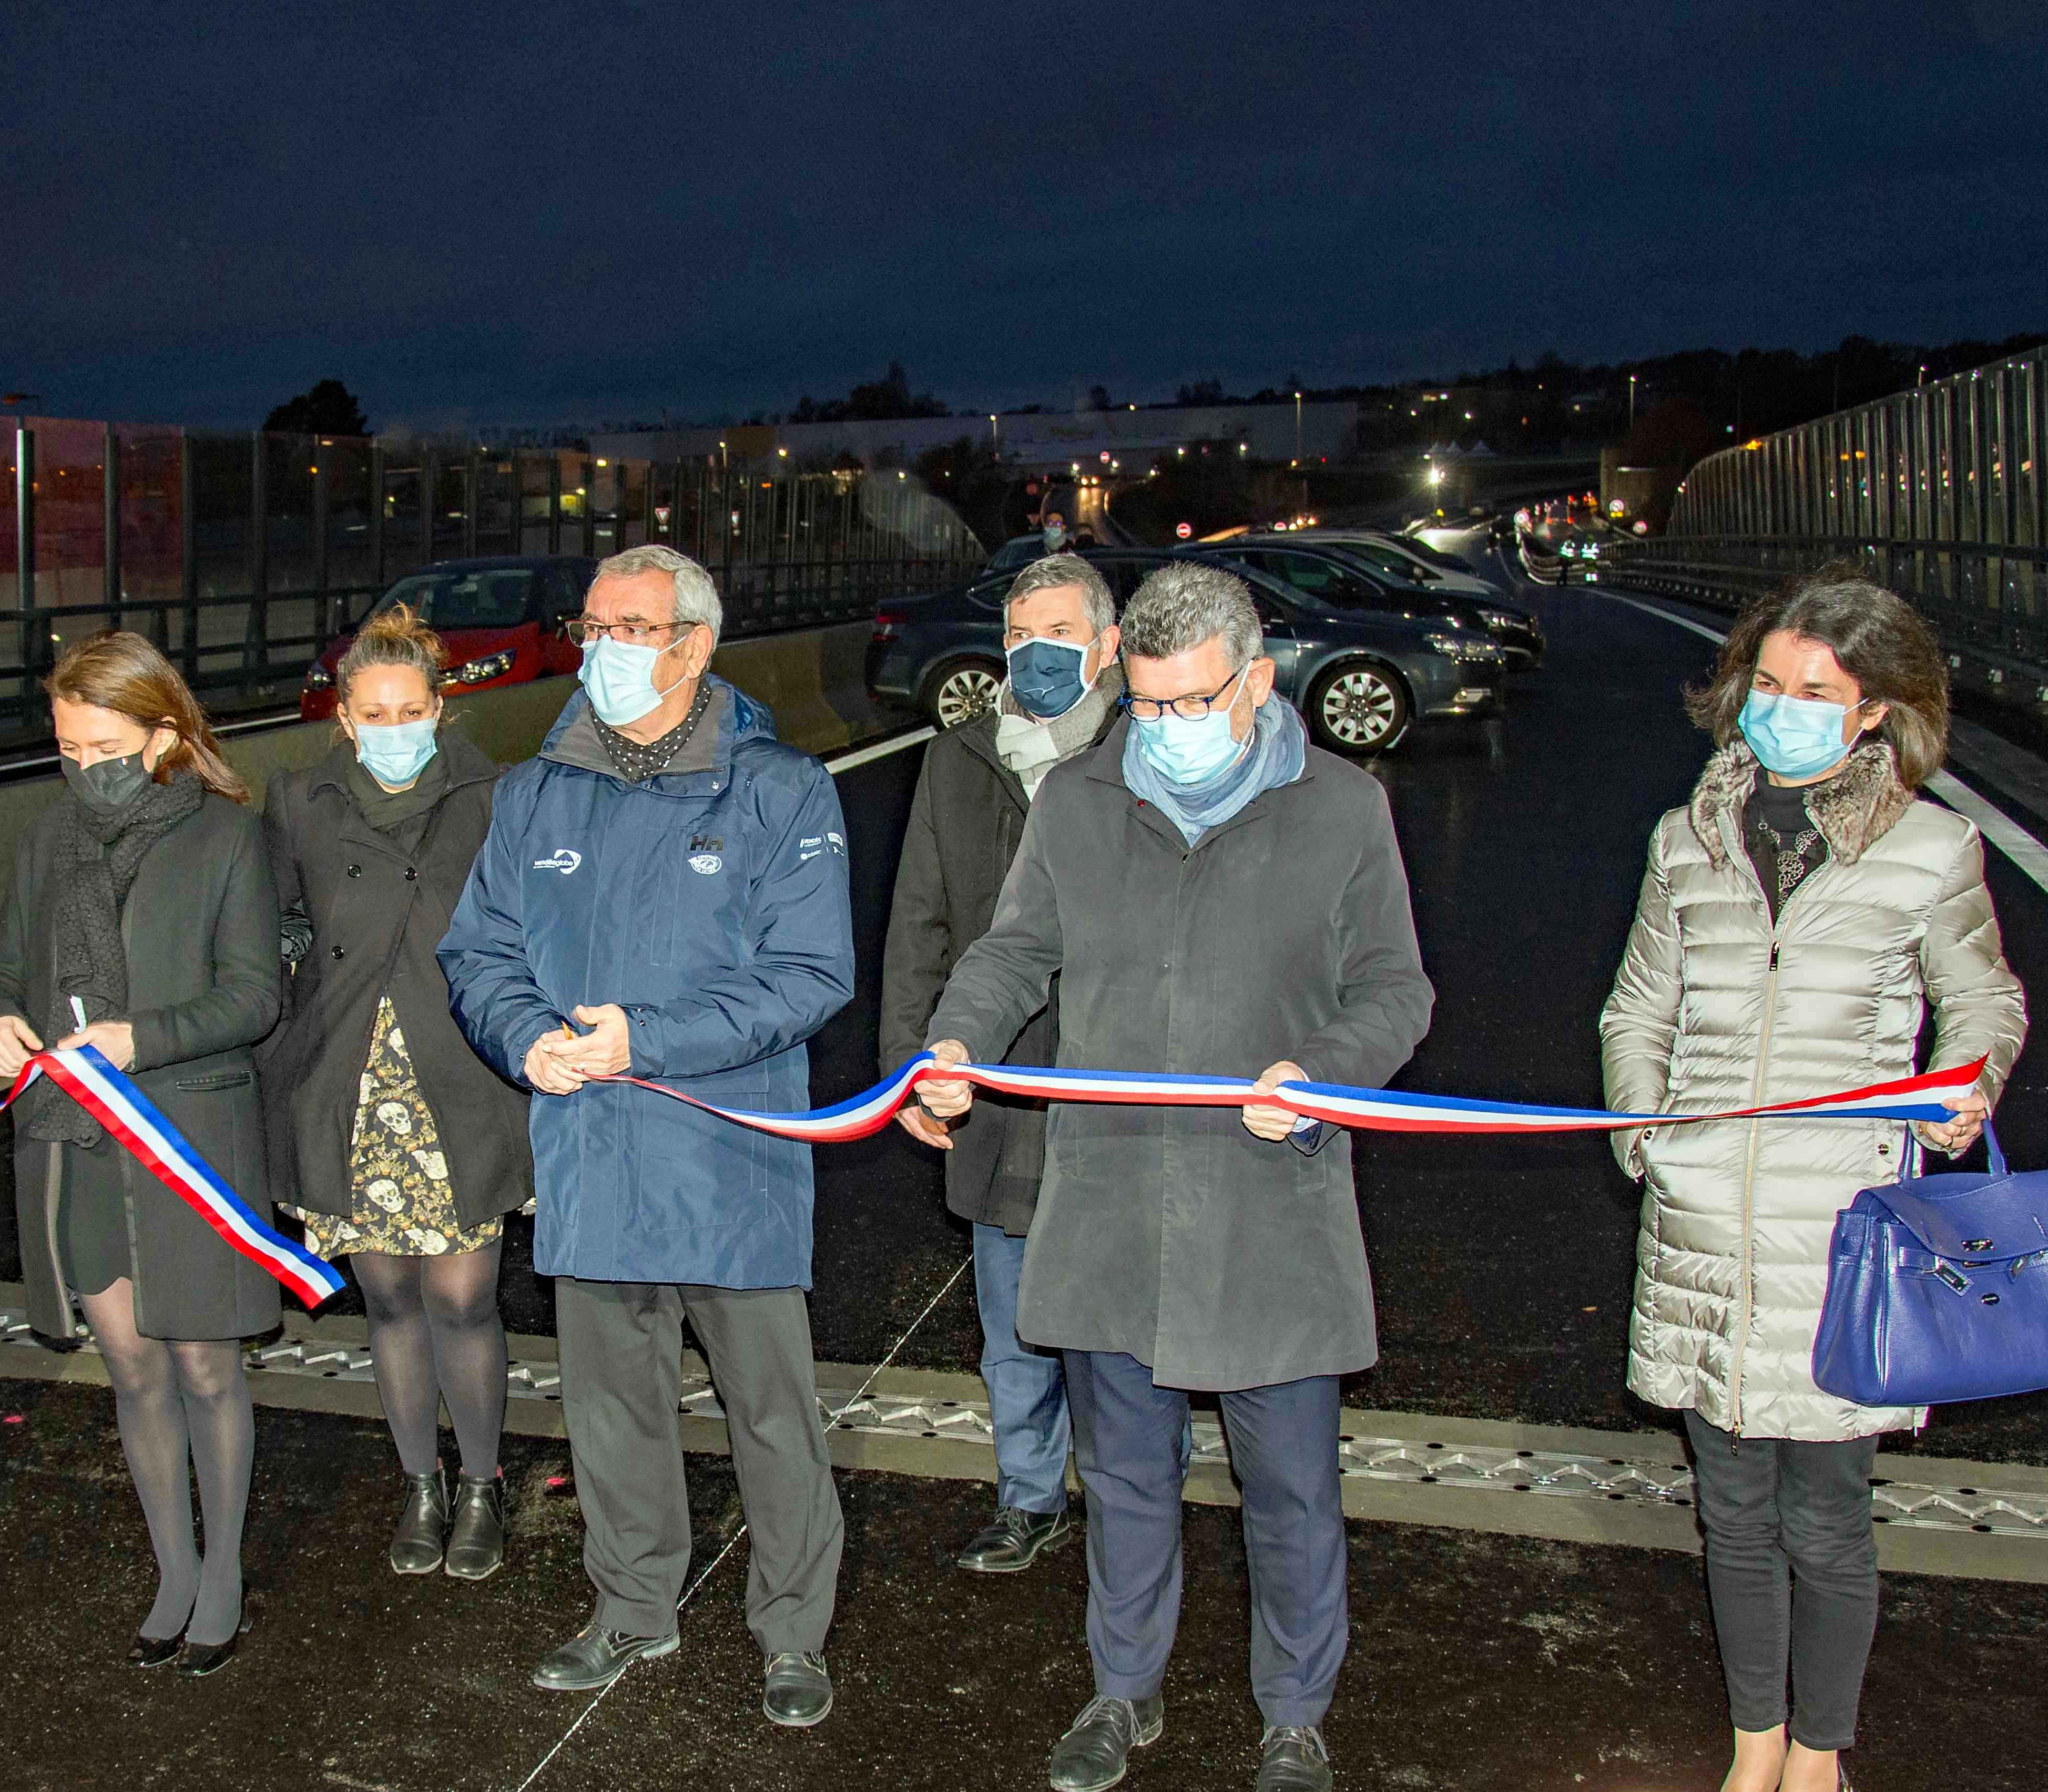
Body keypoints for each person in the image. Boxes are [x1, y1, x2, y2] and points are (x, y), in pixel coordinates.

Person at [916, 564, 1432, 1792]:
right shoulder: (1084, 800)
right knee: (1127, 1476)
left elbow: (1398, 991)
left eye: (1193, 705)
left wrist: (1325, 1072)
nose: (1166, 733)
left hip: (1269, 1209)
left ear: (1255, 682)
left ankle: (1295, 1714)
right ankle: (1122, 1690)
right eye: (1146, 708)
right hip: (1108, 1200)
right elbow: (1014, 950)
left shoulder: (1342, 808)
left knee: (1293, 1493)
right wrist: (955, 1045)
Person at [1599, 575, 2024, 1792]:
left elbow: (1983, 1001)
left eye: (1815, 694)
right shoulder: (1688, 836)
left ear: (1878, 713)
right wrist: (1645, 1135)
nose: (1780, 712)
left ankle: (1821, 1758)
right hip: (1701, 1225)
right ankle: (1754, 1749)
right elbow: (1639, 1005)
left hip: (1844, 1232)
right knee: (1729, 1513)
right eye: (1768, 687)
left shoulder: (1932, 848)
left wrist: (1962, 1089)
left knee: (1827, 1519)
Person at [439, 545, 855, 1728]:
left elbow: (812, 974)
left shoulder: (779, 788)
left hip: (729, 1151)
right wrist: (525, 1040)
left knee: (770, 1409)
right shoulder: (536, 791)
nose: (603, 648)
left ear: (693, 646)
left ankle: (791, 1632)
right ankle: (631, 1608)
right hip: (591, 1145)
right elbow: (480, 952)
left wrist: (647, 1040)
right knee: (611, 1408)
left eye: (632, 627)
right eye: (595, 625)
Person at [0, 631, 282, 1675]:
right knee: (134, 1368)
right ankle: (174, 1568)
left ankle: (226, 1569)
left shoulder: (226, 837)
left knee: (203, 1360)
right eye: (66, 749)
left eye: (103, 748)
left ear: (164, 736)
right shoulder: (45, 837)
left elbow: (253, 996)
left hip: (189, 1137)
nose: (83, 769)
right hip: (79, 1141)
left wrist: (142, 1038)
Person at [258, 603, 533, 1581]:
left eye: (409, 709)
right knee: (386, 1299)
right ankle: (420, 1481)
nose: (392, 728)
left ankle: (482, 1482)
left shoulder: (497, 796)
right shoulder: (298, 799)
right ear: (342, 717)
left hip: (455, 1071)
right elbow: (280, 921)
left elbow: (528, 929)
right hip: (347, 1074)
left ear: (439, 708)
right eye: (372, 714)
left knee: (463, 1297)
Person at [881, 552, 1125, 1573]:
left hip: (1119, 1092)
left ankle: (1127, 1502)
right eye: (1020, 636)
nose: (1035, 654)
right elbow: (920, 924)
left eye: (1060, 635)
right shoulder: (958, 761)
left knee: (1118, 1327)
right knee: (1015, 1317)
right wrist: (906, 1065)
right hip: (995, 1086)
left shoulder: (1145, 754)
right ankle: (1030, 1498)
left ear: (1109, 645)